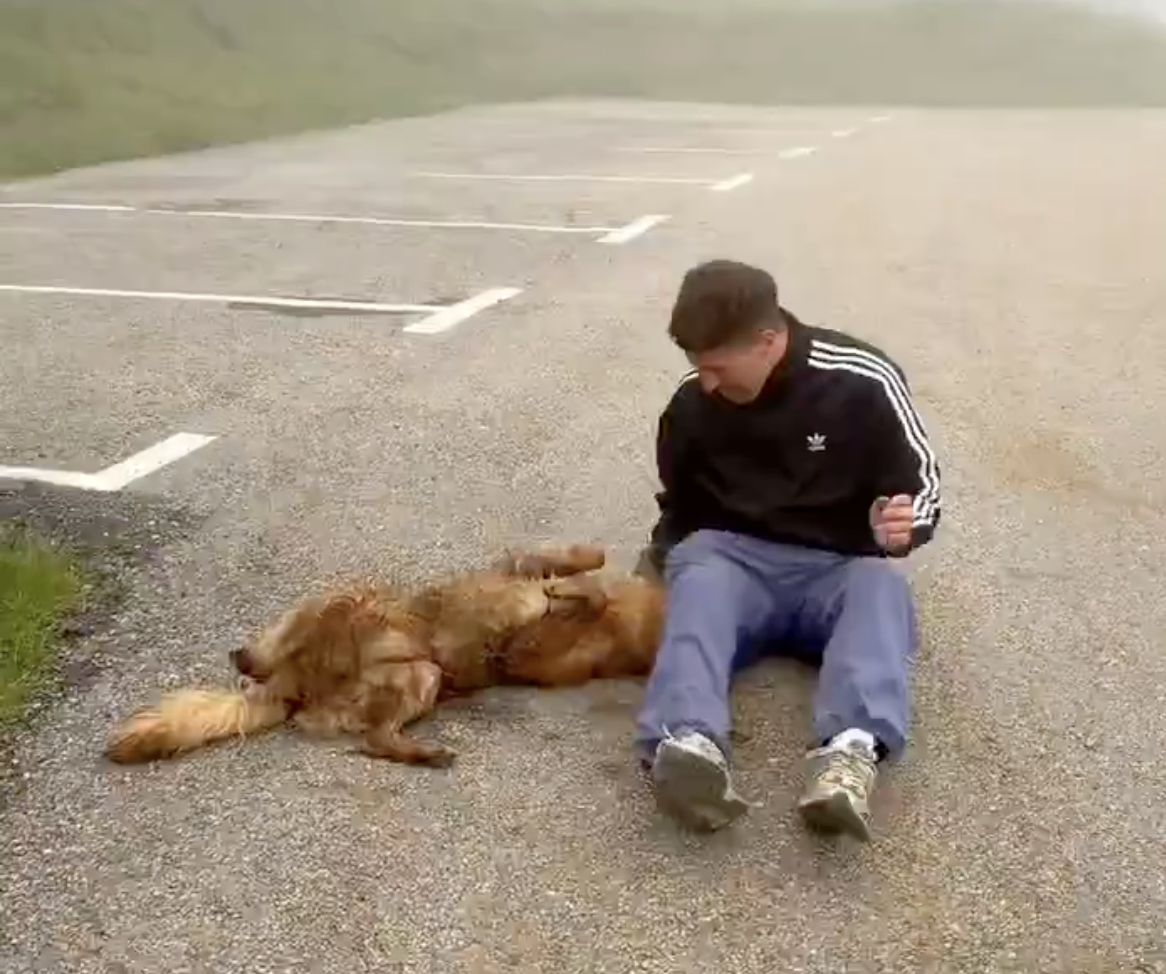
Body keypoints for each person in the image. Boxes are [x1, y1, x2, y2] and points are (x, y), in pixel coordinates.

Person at [633, 258, 941, 841]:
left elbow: (920, 485)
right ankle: (687, 744)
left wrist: (905, 526)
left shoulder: (861, 379)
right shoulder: (691, 405)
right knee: (698, 574)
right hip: (736, 562)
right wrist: (665, 565)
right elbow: (680, 502)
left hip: (837, 564)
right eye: (698, 368)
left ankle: (849, 755)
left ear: (769, 340)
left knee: (881, 588)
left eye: (718, 367)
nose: (707, 383)